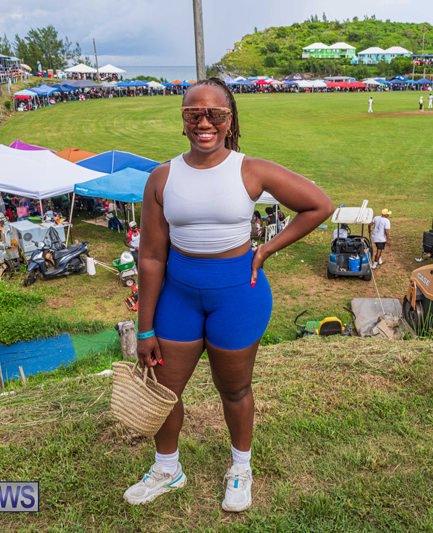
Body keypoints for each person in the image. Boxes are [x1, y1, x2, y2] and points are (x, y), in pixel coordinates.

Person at [126, 77, 332, 512]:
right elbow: (150, 256)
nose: (205, 122)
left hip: (238, 294)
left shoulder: (250, 169)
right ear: (182, 120)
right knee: (165, 390)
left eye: (215, 114)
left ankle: (241, 467)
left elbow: (318, 204)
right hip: (178, 296)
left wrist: (267, 247)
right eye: (193, 114)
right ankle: (168, 468)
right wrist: (145, 329)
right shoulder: (162, 176)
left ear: (229, 119)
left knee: (234, 390)